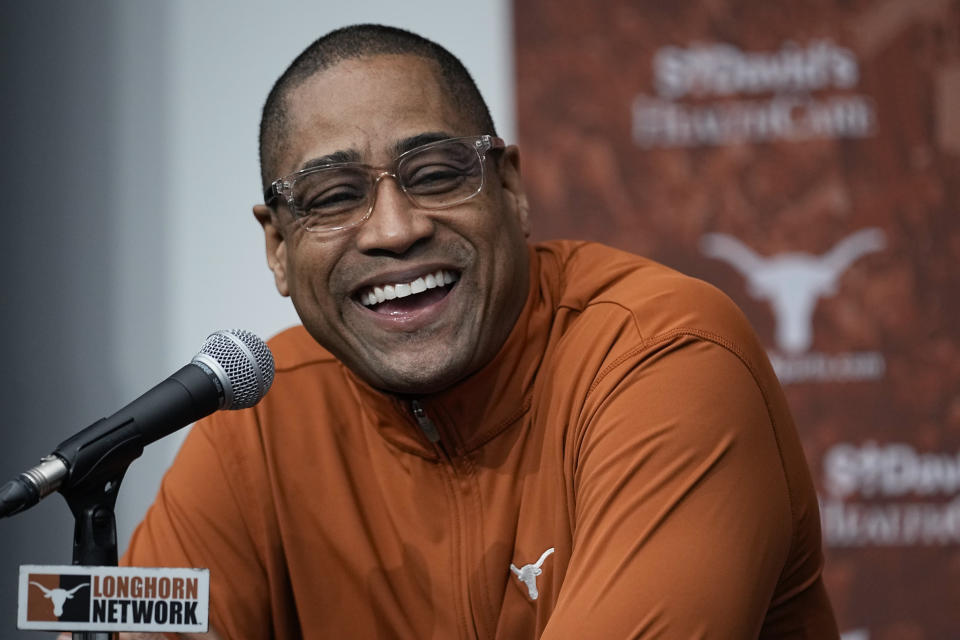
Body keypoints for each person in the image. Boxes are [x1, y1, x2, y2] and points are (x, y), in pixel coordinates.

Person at [117, 24, 839, 639]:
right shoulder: (256, 422)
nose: (396, 230)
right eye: (334, 196)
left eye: (435, 174)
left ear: (512, 190)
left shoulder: (664, 354)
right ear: (278, 247)